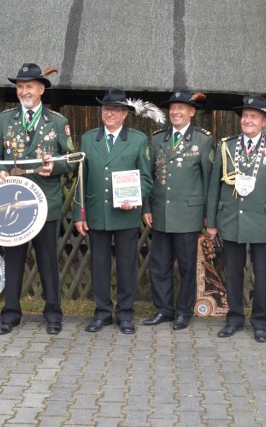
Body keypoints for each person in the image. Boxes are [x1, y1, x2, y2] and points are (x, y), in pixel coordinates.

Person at [0, 63, 76, 335]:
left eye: (29, 86)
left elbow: (70, 159)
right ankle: (10, 313)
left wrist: (55, 168)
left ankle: (53, 315)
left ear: (41, 90)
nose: (24, 91)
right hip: (12, 203)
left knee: (48, 261)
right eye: (20, 86)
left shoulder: (58, 122)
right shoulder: (5, 120)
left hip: (44, 204)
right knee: (13, 259)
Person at [206, 95, 266, 343]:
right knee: (233, 273)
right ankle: (234, 318)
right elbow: (214, 186)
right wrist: (211, 222)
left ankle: (261, 322)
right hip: (232, 220)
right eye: (245, 116)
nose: (248, 120)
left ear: (264, 121)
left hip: (265, 222)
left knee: (263, 275)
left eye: (254, 116)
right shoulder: (225, 146)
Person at [74, 88, 153, 334]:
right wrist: (79, 214)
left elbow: (147, 179)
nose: (109, 113)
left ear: (124, 115)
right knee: (99, 266)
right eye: (106, 109)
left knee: (127, 266)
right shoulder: (88, 139)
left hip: (126, 214)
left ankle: (126, 314)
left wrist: (135, 198)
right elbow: (80, 179)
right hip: (97, 213)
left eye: (115, 110)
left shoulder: (138, 140)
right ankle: (102, 313)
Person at [142, 90, 215, 330]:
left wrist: (208, 215)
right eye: (173, 108)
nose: (176, 112)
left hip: (188, 214)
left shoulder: (203, 140)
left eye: (181, 108)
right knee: (159, 265)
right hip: (161, 212)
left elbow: (209, 180)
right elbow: (148, 177)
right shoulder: (157, 139)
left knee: (186, 267)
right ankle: (164, 310)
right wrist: (146, 207)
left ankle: (184, 311)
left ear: (191, 112)